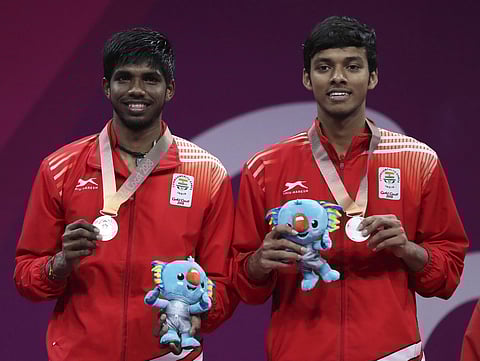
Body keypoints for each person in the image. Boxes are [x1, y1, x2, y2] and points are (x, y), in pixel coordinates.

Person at [231, 16, 468, 361]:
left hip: (393, 354)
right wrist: (258, 263)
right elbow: (243, 284)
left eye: (352, 66)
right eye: (324, 66)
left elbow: (446, 277)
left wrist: (407, 250)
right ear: (306, 77)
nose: (338, 77)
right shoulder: (266, 167)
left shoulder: (418, 161)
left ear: (371, 77)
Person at [14, 28, 237, 361]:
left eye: (150, 79)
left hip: (170, 355)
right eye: (124, 78)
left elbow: (224, 283)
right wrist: (60, 264)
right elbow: (25, 274)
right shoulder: (59, 168)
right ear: (106, 87)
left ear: (170, 89)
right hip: (80, 354)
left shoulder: (207, 173)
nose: (136, 90)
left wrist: (197, 314)